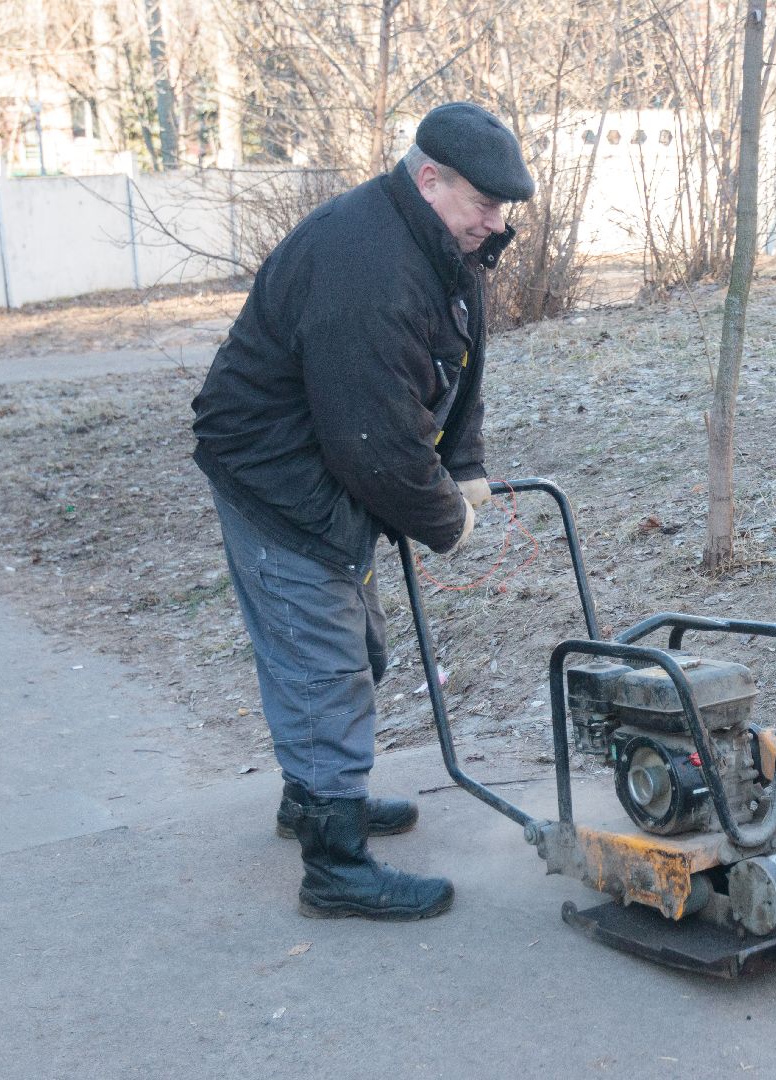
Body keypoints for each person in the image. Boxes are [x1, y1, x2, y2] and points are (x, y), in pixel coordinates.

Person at [191, 102, 535, 921]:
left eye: (501, 208)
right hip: (276, 475)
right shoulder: (366, 265)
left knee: (359, 647)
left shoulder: (440, 244)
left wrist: (465, 465)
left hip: (326, 458)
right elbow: (373, 442)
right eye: (483, 204)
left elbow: (459, 360)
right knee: (325, 663)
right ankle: (334, 865)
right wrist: (445, 519)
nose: (494, 223)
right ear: (430, 179)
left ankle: (311, 796)